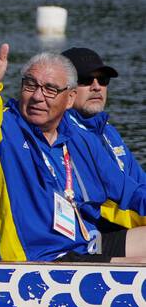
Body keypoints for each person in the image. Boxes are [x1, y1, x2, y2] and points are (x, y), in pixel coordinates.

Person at [0, 39, 146, 262]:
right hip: (33, 264)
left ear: (70, 98)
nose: (38, 96)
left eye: (50, 89)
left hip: (82, 246)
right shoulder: (3, 128)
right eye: (30, 85)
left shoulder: (81, 140)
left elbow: (130, 193)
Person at [62, 47, 146, 236]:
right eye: (85, 80)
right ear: (66, 88)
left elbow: (140, 184)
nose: (97, 86)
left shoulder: (107, 131)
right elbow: (111, 199)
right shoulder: (66, 132)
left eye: (103, 80)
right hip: (93, 234)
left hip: (120, 224)